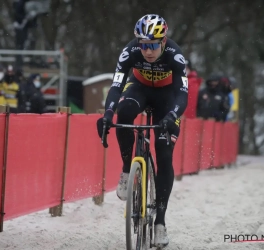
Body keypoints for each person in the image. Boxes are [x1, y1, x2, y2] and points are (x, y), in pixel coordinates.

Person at [96, 14, 188, 248]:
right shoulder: (130, 51)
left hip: (167, 97)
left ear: (163, 41)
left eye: (153, 45)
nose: (147, 51)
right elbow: (116, 85)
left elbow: (182, 94)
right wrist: (107, 114)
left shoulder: (175, 55)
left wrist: (172, 116)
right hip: (139, 88)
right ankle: (127, 171)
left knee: (164, 152)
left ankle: (160, 223)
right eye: (143, 45)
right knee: (124, 113)